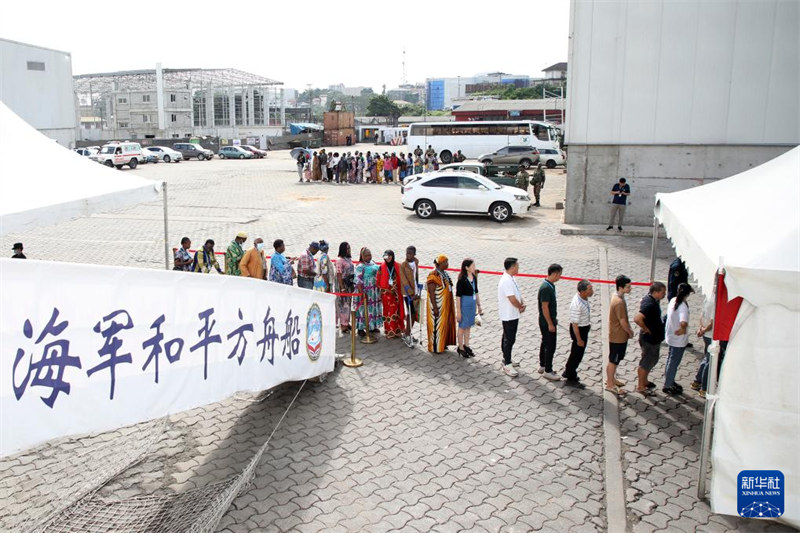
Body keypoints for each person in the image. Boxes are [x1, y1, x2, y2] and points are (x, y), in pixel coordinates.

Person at [633, 281, 667, 396]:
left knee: (651, 360)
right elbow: (637, 318)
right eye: (662, 292)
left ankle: (645, 381)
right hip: (649, 340)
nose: (664, 295)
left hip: (653, 339)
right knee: (646, 362)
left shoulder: (651, 300)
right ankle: (641, 386)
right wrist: (645, 328)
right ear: (655, 292)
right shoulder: (650, 304)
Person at [691, 296, 728, 398]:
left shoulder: (708, 298)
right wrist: (704, 330)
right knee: (710, 361)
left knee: (706, 358)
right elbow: (712, 322)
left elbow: (701, 316)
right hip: (712, 335)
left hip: (706, 334)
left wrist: (700, 328)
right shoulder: (717, 301)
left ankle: (697, 381)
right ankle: (704, 388)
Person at [663, 283, 694, 395]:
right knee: (674, 362)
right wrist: (683, 329)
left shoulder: (673, 300)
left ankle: (669, 380)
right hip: (678, 341)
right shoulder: (683, 307)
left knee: (670, 360)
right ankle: (668, 385)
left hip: (671, 336)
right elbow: (683, 322)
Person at [606, 275, 634, 396]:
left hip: (617, 335)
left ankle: (611, 379)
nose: (630, 288)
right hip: (618, 337)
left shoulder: (617, 297)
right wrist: (629, 331)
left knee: (615, 360)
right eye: (628, 287)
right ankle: (610, 384)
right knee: (613, 360)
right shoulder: (619, 302)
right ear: (621, 287)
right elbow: (622, 321)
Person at [564, 280, 594, 389]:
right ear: (582, 291)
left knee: (576, 352)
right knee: (577, 354)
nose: (592, 291)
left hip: (583, 328)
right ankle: (571, 376)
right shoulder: (576, 304)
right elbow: (575, 324)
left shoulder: (583, 298)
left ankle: (568, 370)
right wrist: (579, 339)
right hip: (579, 331)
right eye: (589, 289)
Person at [498, 257, 525, 376]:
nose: (518, 268)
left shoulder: (511, 278)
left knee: (507, 337)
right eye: (517, 266)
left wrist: (521, 302)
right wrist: (520, 306)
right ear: (512, 267)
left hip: (513, 314)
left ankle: (506, 358)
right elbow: (512, 298)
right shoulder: (506, 280)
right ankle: (507, 364)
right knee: (509, 339)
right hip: (509, 314)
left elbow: (516, 294)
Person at [426, 255, 456, 354]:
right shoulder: (433, 275)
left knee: (444, 325)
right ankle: (436, 348)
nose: (447, 263)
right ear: (440, 264)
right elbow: (431, 291)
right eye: (445, 262)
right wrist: (435, 307)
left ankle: (443, 344)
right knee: (436, 327)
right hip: (437, 306)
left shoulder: (444, 273)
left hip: (445, 306)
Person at [538, 264, 563, 381]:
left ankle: (543, 365)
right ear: (554, 274)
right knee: (550, 345)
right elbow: (545, 307)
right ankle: (548, 370)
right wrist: (550, 324)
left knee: (545, 342)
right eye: (559, 275)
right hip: (547, 322)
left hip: (546, 321)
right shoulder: (546, 288)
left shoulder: (550, 285)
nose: (560, 277)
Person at [453, 258, 480, 358]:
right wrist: (458, 312)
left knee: (468, 326)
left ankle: (466, 345)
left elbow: (476, 291)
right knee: (462, 327)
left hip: (472, 306)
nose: (474, 267)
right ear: (466, 268)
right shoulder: (461, 280)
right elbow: (458, 297)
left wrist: (479, 305)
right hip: (464, 305)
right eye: (472, 266)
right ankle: (460, 347)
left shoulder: (474, 277)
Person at [354, 247, 383, 336]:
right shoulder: (360, 266)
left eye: (369, 255)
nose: (368, 257)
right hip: (364, 290)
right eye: (366, 255)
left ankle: (372, 327)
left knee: (373, 309)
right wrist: (362, 293)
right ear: (362, 256)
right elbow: (357, 281)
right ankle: (360, 328)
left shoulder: (372, 263)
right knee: (363, 309)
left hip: (374, 292)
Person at [377, 250, 405, 338]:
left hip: (396, 293)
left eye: (390, 256)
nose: (388, 258)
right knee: (388, 312)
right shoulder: (381, 267)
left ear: (393, 256)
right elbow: (378, 281)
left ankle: (397, 330)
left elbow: (402, 279)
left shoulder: (398, 266)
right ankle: (389, 331)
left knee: (397, 312)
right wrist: (387, 290)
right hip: (386, 294)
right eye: (386, 256)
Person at [399, 246, 421, 342]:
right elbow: (404, 281)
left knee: (414, 314)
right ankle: (407, 334)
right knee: (410, 313)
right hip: (407, 293)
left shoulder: (415, 263)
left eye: (410, 253)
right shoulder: (403, 265)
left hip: (415, 292)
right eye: (407, 253)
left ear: (414, 254)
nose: (408, 255)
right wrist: (410, 293)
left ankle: (408, 332)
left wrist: (418, 290)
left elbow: (416, 277)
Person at [336, 242, 355, 334]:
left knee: (348, 304)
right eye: (347, 248)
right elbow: (339, 274)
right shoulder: (340, 260)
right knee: (343, 305)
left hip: (349, 284)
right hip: (343, 284)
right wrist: (342, 287)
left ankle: (347, 322)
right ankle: (343, 325)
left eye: (349, 248)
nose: (349, 250)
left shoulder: (348, 259)